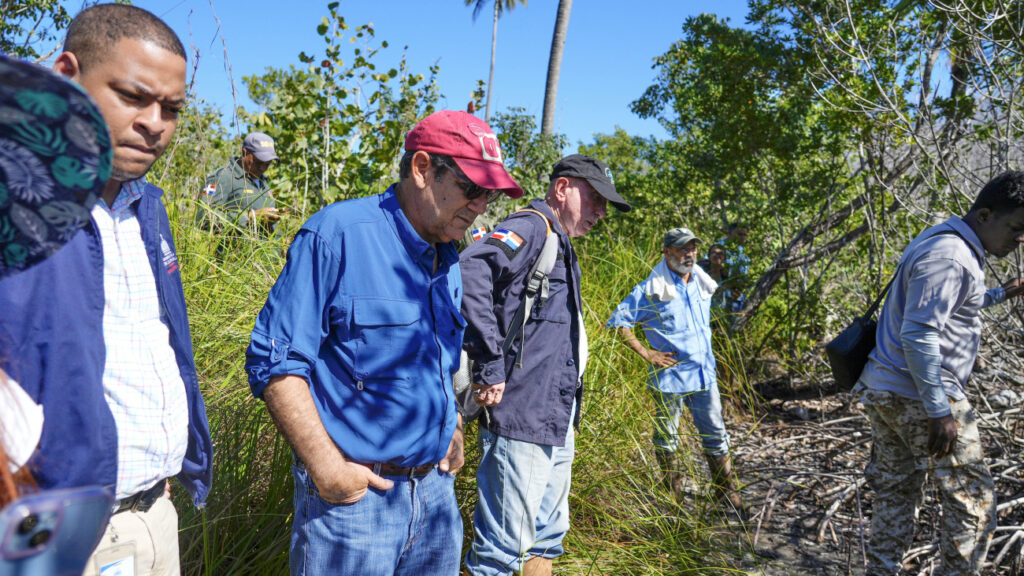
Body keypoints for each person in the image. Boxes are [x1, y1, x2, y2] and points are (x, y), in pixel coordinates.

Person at [244, 109, 522, 576]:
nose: (481, 206)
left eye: (489, 193)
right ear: (422, 168)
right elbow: (276, 362)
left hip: (434, 502)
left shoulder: (449, 254)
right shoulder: (338, 235)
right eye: (472, 188)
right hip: (355, 505)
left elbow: (440, 359)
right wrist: (328, 470)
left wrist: (451, 425)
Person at [0, 6, 214, 576]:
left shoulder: (148, 207)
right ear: (67, 76)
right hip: (50, 527)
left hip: (155, 511)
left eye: (172, 109)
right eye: (132, 96)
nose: (155, 123)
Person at [461, 154, 631, 576]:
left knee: (547, 540)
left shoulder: (560, 240)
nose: (600, 212)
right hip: (521, 415)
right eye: (593, 199)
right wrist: (490, 365)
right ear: (562, 189)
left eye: (604, 204)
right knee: (501, 553)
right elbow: (472, 270)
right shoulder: (532, 227)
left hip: (555, 418)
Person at [855, 170, 1024, 576]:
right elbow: (919, 333)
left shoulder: (943, 241)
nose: (1020, 240)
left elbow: (951, 305)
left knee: (896, 496)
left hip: (887, 390)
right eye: (1015, 227)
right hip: (921, 396)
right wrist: (939, 409)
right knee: (975, 507)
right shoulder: (951, 255)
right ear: (984, 214)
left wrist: (1005, 292)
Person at [606, 228, 748, 518]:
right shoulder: (651, 287)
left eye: (693, 248)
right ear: (666, 252)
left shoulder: (700, 281)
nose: (689, 254)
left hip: (703, 375)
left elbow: (714, 297)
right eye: (682, 249)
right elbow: (620, 320)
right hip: (669, 377)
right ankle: (673, 499)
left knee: (716, 434)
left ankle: (727, 493)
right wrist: (647, 353)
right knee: (666, 438)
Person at [198, 131, 281, 232]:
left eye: (268, 164)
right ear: (244, 153)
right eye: (258, 162)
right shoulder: (220, 178)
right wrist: (250, 217)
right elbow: (203, 217)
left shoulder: (264, 183)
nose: (262, 168)